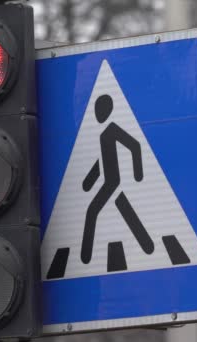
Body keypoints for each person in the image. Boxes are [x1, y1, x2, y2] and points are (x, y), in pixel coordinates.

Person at [81, 94, 154, 265]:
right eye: (97, 110)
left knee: (92, 212)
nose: (98, 114)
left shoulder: (113, 129)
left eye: (100, 110)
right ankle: (148, 246)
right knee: (127, 212)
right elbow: (103, 160)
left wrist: (138, 173)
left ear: (107, 111)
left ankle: (85, 257)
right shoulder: (103, 134)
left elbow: (134, 146)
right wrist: (89, 181)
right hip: (111, 181)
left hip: (113, 181)